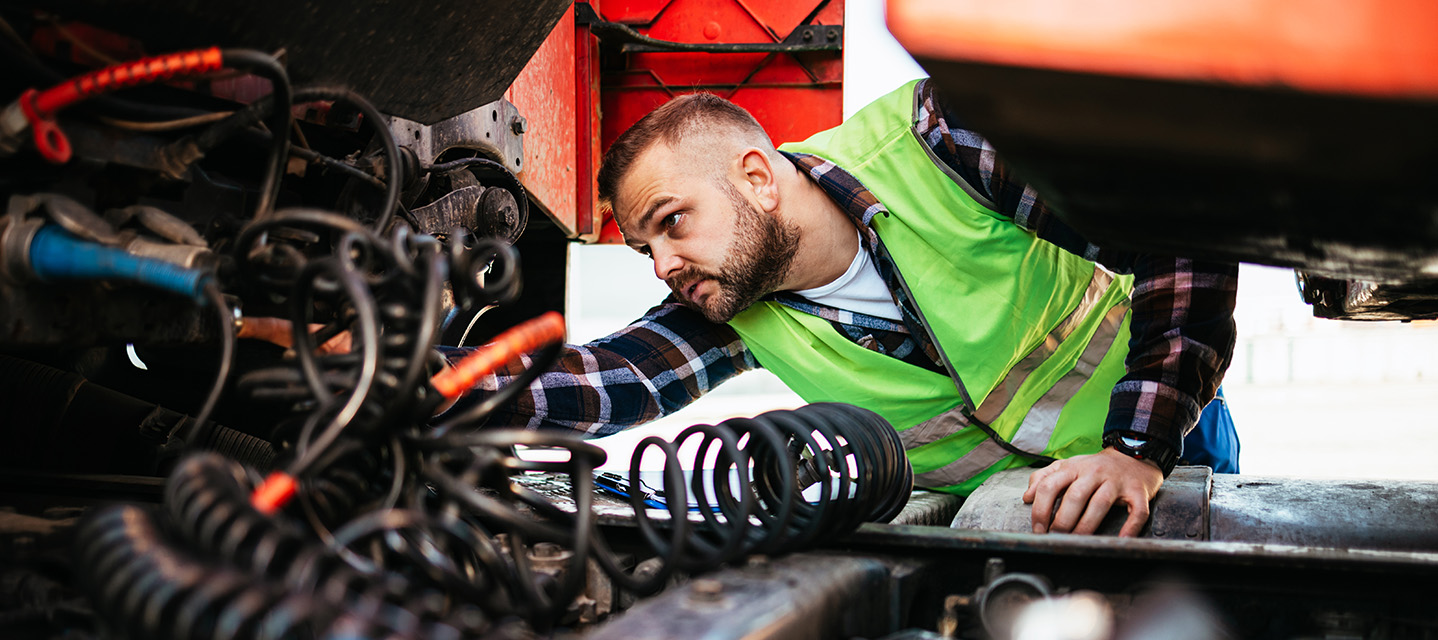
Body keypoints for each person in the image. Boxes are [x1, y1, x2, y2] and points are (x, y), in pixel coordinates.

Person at [442, 78, 1240, 537]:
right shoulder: (731, 301)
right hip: (1017, 524)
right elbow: (602, 381)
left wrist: (1138, 448)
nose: (662, 265)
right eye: (644, 248)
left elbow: (1173, 230)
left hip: (1167, 448)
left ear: (757, 176)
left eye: (671, 222)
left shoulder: (937, 141)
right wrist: (412, 388)